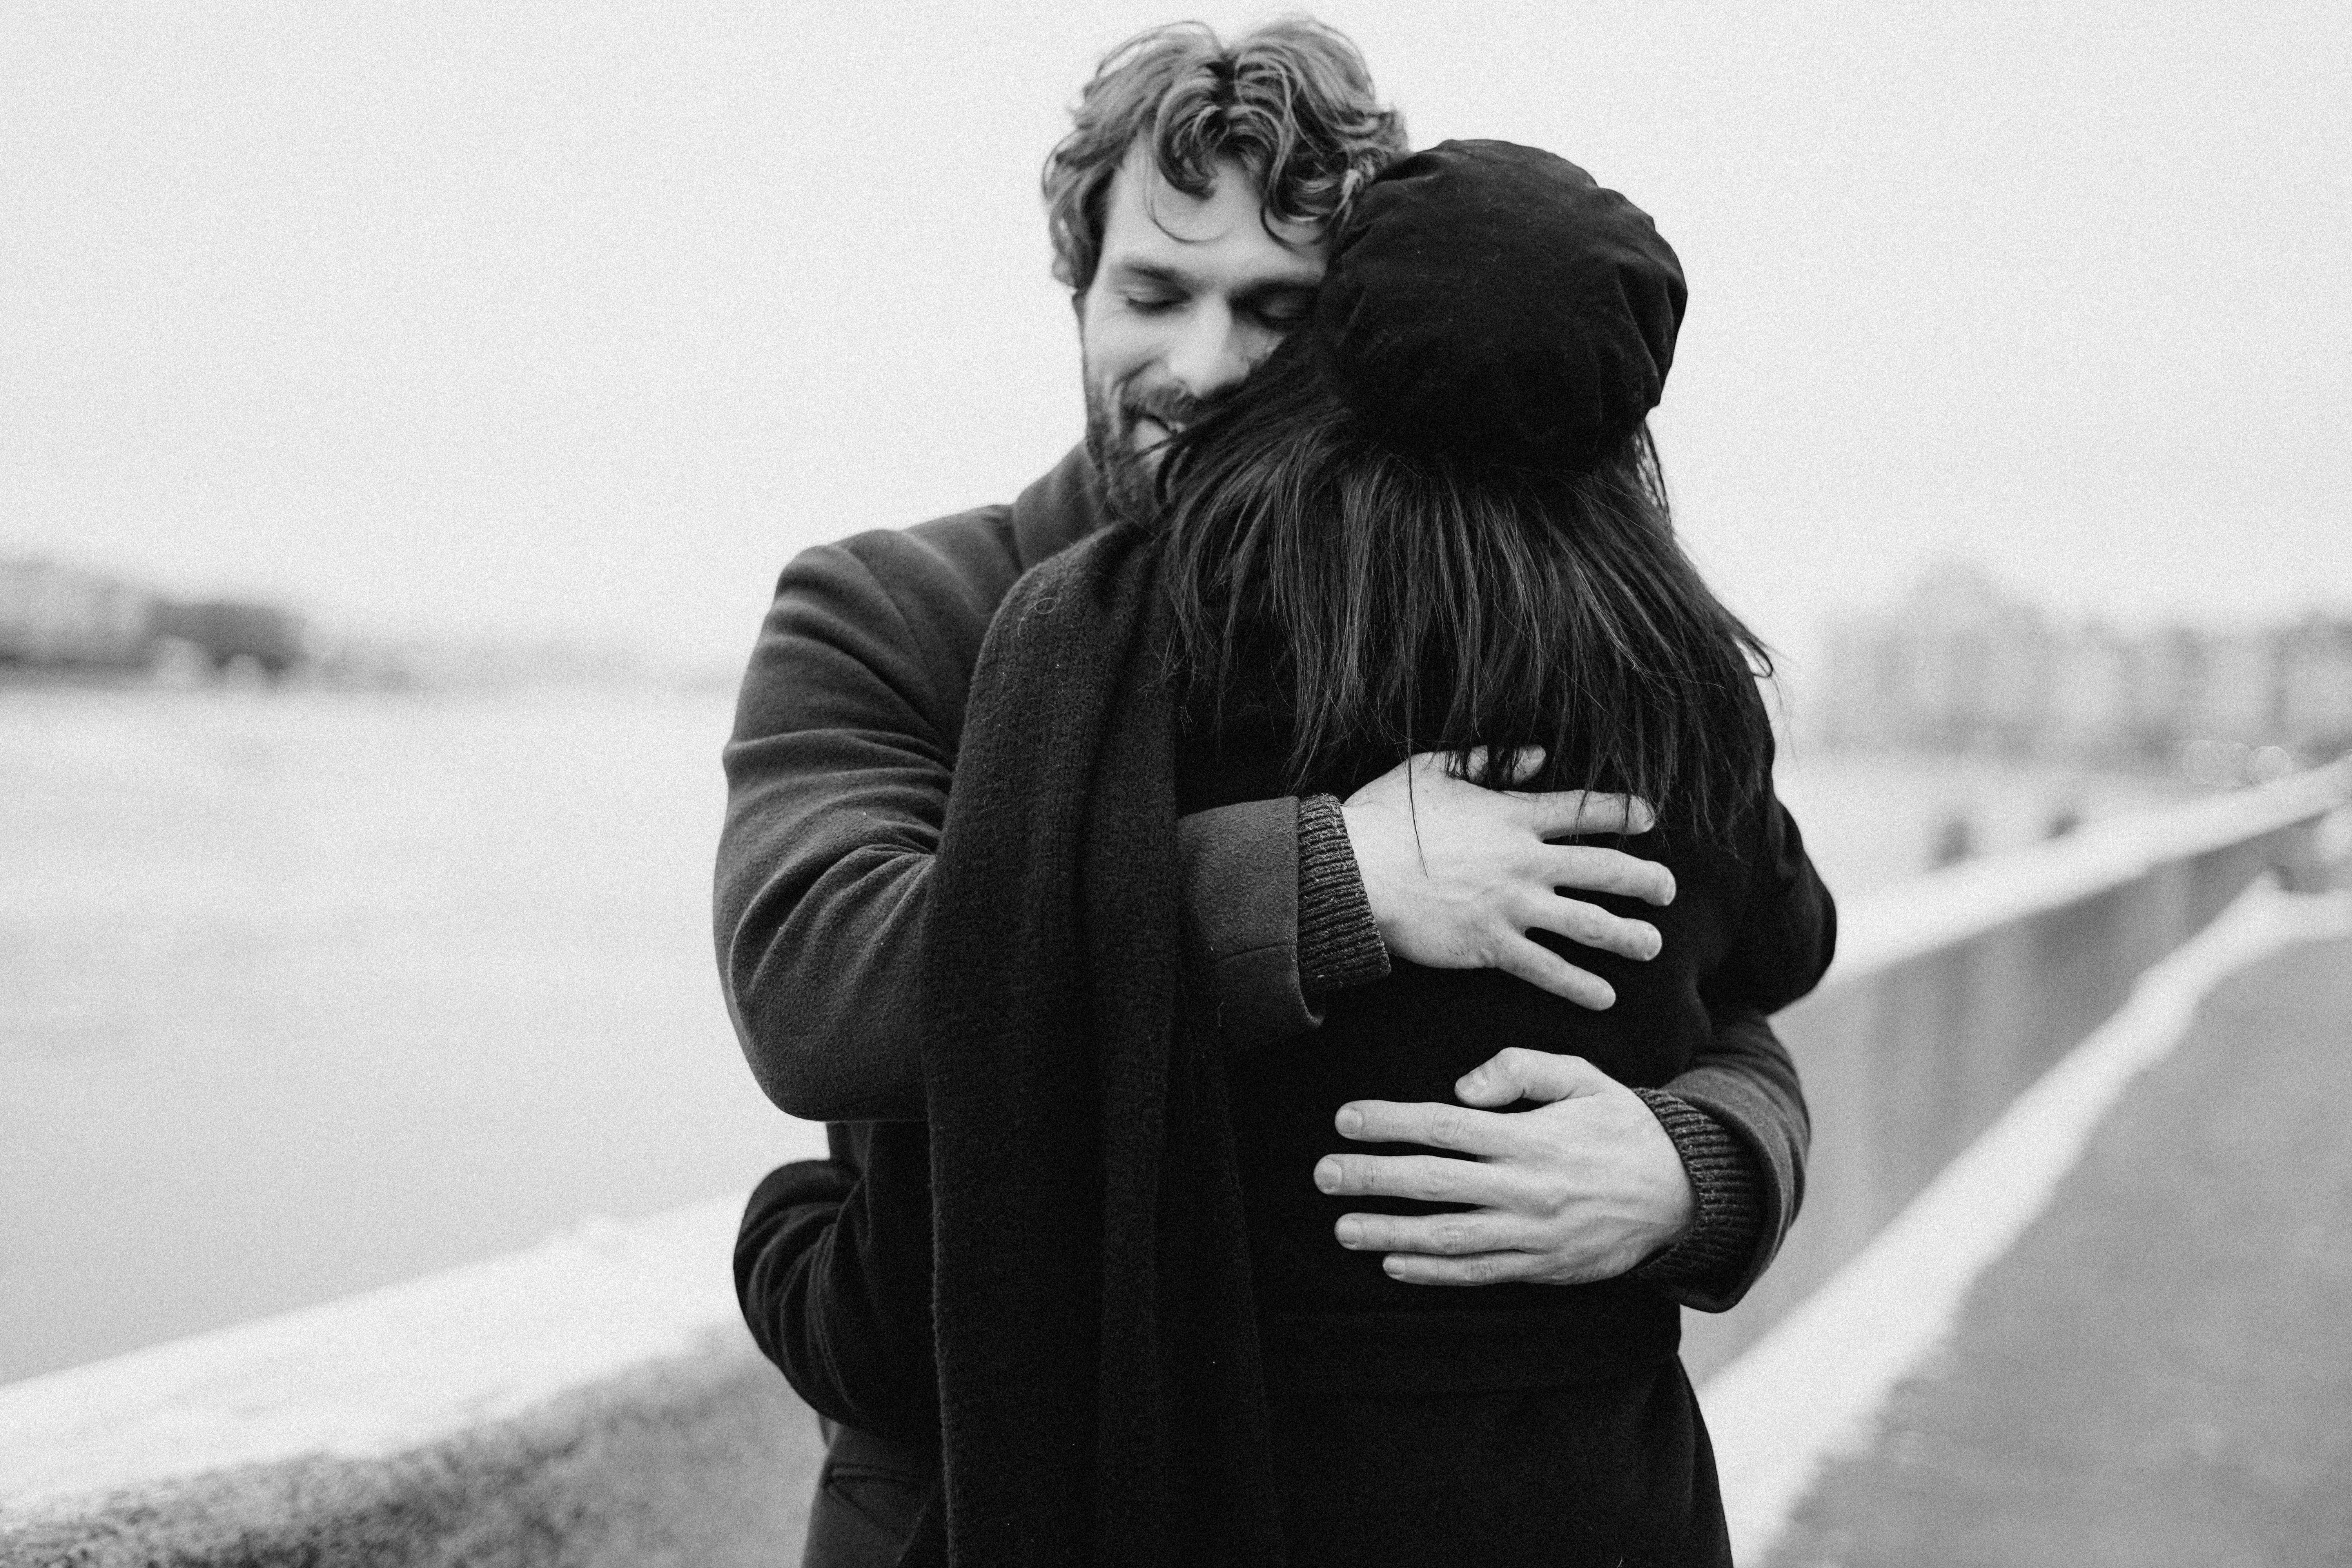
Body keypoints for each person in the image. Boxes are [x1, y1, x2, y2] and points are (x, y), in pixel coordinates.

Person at [717, 20, 1817, 1565]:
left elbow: (1704, 967)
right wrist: (1334, 884)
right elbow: (815, 985)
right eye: (1154, 294)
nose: (1203, 367)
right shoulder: (901, 605)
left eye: (1274, 309)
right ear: (1077, 286)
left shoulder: (1446, 628)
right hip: (969, 1497)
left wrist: (1698, 1168)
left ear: (1356, 328)